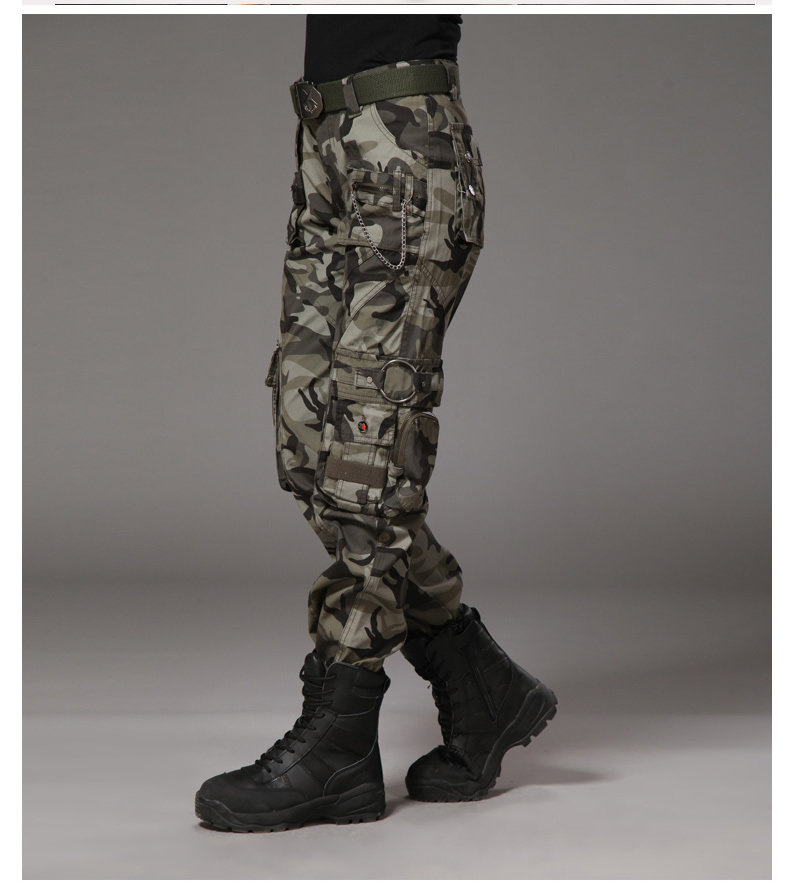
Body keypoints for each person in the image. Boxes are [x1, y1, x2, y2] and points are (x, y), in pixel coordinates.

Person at [195, 14, 557, 833]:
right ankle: (481, 684)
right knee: (307, 444)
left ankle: (341, 742)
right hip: (327, 147)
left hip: (406, 147)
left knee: (366, 455)